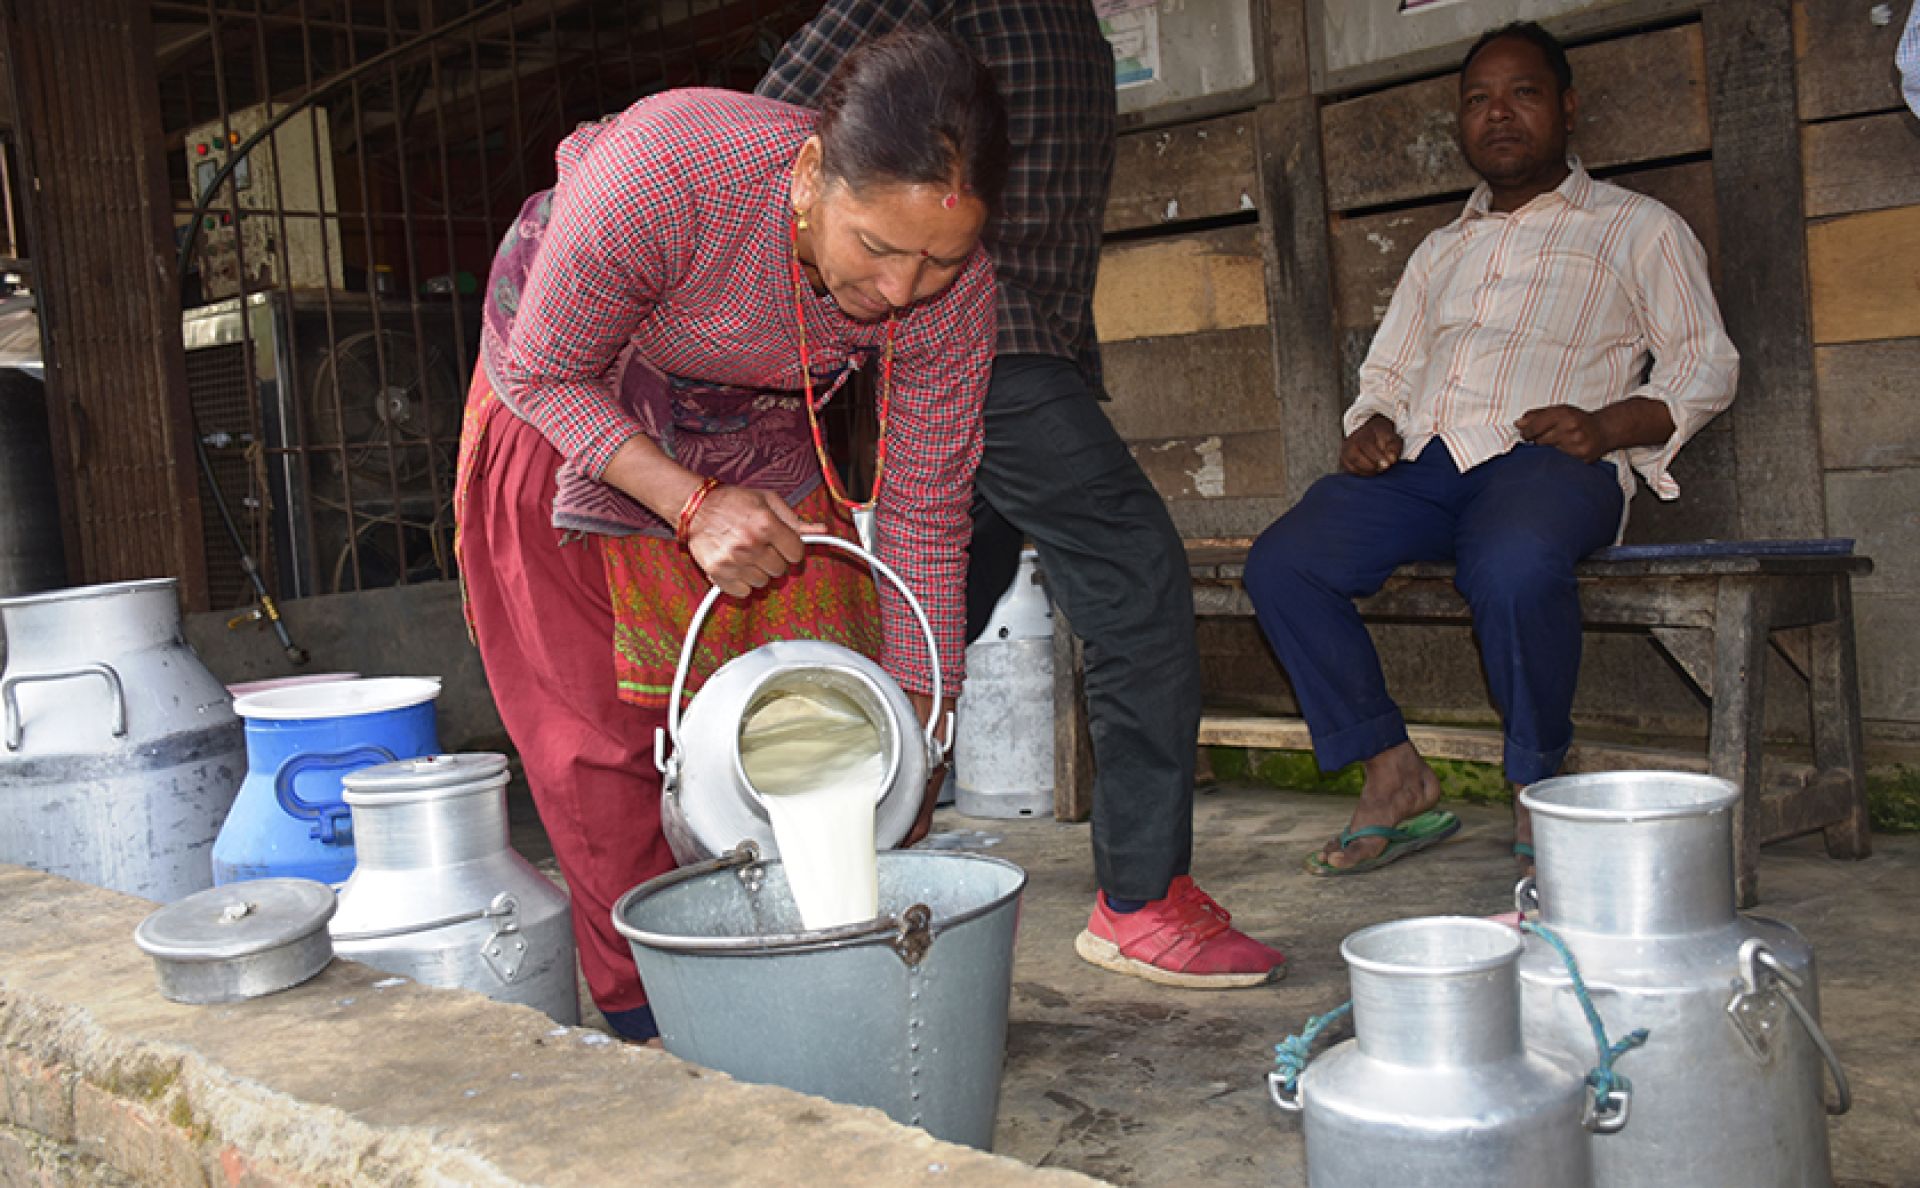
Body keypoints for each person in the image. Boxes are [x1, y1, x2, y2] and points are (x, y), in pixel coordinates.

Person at [455, 29, 1008, 1042]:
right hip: (572, 398)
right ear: (808, 176)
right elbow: (542, 374)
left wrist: (923, 733)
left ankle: (803, 981)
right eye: (876, 247)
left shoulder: (950, 300)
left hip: (749, 417)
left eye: (939, 259)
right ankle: (653, 1026)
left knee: (831, 692)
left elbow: (927, 515)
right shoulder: (670, 169)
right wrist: (692, 503)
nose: (898, 293)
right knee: (606, 740)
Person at [760, 1, 1287, 988]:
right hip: (983, 350)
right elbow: (786, 115)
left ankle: (846, 826)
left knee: (936, 605)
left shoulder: (1068, 15)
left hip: (1034, 342)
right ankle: (1142, 897)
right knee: (1136, 571)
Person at [1242, 21, 1738, 876]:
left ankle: (1536, 787)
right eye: (1477, 100)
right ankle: (1393, 773)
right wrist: (1372, 423)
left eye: (1523, 94)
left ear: (1568, 108)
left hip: (1553, 463)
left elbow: (1707, 364)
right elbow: (1388, 371)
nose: (1498, 114)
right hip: (1426, 467)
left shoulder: (1637, 227)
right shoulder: (1442, 251)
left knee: (1511, 565)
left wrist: (1608, 426)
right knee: (1283, 562)